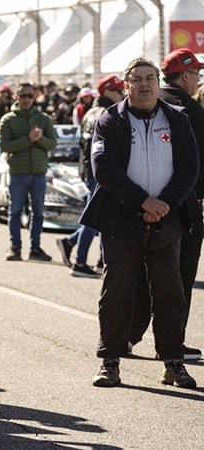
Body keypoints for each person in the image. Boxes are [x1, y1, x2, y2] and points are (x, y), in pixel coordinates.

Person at [81, 58, 199, 388]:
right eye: (137, 79)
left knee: (170, 293)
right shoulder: (110, 120)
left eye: (150, 78)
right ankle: (110, 361)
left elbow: (190, 167)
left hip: (167, 217)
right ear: (126, 85)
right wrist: (143, 201)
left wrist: (164, 204)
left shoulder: (177, 118)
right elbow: (102, 168)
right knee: (117, 291)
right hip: (121, 218)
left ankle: (173, 363)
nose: (144, 84)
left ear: (159, 83)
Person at [128, 48, 204, 361]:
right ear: (185, 76)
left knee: (139, 276)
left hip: (140, 201)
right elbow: (197, 164)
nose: (198, 80)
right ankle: (173, 343)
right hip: (182, 206)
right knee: (177, 278)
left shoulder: (150, 104)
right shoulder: (189, 110)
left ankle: (127, 336)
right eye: (196, 74)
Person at [57, 75, 124, 277]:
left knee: (101, 216)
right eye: (119, 91)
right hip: (98, 173)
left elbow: (83, 146)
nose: (122, 94)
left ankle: (96, 258)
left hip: (89, 170)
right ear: (108, 92)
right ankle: (80, 262)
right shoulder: (106, 113)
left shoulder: (90, 112)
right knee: (95, 217)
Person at [0, 82, 57, 261]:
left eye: (29, 96)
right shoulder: (8, 119)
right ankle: (15, 247)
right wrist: (29, 139)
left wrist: (39, 139)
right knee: (15, 211)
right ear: (16, 97)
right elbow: (4, 145)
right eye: (22, 96)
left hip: (39, 172)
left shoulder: (43, 118)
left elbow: (52, 143)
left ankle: (35, 248)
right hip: (18, 172)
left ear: (35, 97)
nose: (26, 99)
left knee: (38, 212)